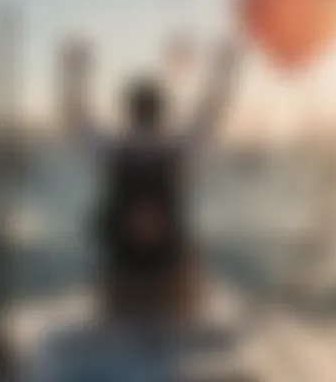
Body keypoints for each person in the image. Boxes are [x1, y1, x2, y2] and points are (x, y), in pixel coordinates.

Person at [61, 38, 242, 322]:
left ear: (129, 112)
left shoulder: (113, 152)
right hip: (171, 281)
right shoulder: (178, 150)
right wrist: (225, 67)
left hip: (123, 280)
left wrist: (74, 72)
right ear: (161, 112)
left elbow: (76, 120)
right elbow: (212, 114)